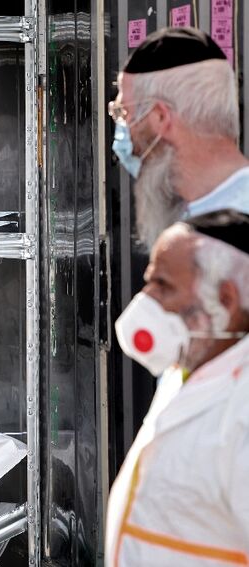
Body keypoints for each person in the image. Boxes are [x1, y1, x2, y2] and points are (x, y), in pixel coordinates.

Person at [106, 209, 249, 566]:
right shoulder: (186, 370)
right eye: (149, 281)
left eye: (164, 285)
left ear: (226, 301)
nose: (145, 299)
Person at [110, 27, 249, 249]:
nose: (124, 131)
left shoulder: (235, 228)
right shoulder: (187, 210)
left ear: (160, 116)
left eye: (124, 112)